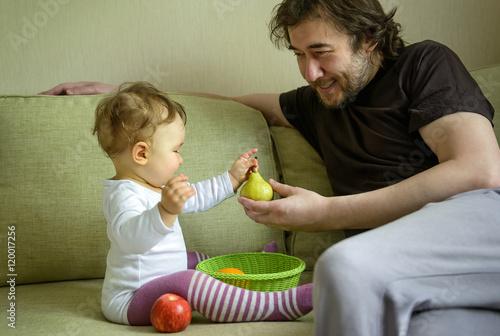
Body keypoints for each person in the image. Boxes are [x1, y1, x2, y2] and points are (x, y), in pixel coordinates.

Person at [41, 0, 500, 334]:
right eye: (299, 55)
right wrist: (130, 103)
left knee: (341, 271)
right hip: (407, 269)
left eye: (321, 52)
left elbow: (479, 172)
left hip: (473, 230)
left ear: (369, 38)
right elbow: (234, 103)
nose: (310, 73)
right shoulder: (320, 102)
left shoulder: (424, 63)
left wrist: (327, 213)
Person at [92, 81, 312, 326]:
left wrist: (231, 179)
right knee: (187, 279)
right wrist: (165, 210)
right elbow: (131, 239)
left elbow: (197, 195)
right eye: (176, 151)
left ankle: (245, 278)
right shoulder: (123, 195)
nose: (181, 159)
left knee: (196, 260)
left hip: (158, 284)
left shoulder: (157, 187)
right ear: (142, 154)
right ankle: (274, 305)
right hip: (132, 300)